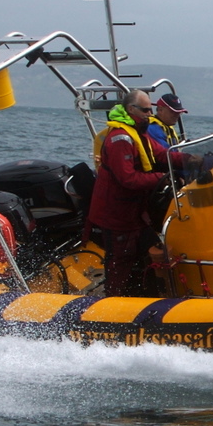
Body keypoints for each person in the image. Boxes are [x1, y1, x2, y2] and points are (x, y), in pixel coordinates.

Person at [87, 88, 171, 297]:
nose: (150, 115)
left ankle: (149, 296)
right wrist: (161, 178)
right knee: (121, 261)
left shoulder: (139, 135)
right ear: (131, 109)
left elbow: (163, 154)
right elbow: (128, 179)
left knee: (152, 251)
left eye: (150, 110)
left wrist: (193, 161)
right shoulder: (120, 139)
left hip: (135, 214)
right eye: (145, 110)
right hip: (117, 215)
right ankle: (112, 306)